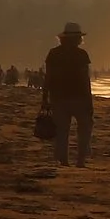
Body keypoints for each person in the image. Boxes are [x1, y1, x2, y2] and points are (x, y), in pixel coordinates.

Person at [41, 22, 94, 167]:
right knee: (84, 128)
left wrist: (45, 97)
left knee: (62, 130)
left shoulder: (53, 53)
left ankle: (63, 160)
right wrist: (89, 101)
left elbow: (48, 77)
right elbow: (85, 79)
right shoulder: (82, 55)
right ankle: (80, 160)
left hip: (58, 97)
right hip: (79, 97)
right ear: (78, 39)